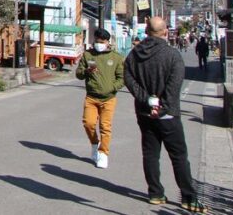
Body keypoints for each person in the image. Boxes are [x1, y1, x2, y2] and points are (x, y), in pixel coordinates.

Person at [124, 17, 205, 212]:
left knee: (150, 153)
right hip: (168, 115)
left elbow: (128, 78)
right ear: (165, 32)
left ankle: (155, 193)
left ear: (147, 32)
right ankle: (188, 197)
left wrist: (146, 100)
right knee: (178, 156)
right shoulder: (172, 55)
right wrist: (162, 107)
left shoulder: (134, 55)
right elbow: (174, 86)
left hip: (144, 113)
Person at [75, 28, 125, 169]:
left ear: (107, 42)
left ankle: (103, 154)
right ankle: (94, 143)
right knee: (88, 123)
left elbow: (122, 78)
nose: (98, 43)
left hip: (109, 98)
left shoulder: (116, 57)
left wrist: (112, 87)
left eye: (101, 41)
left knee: (105, 127)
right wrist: (86, 71)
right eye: (96, 41)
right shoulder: (87, 55)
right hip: (91, 97)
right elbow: (79, 74)